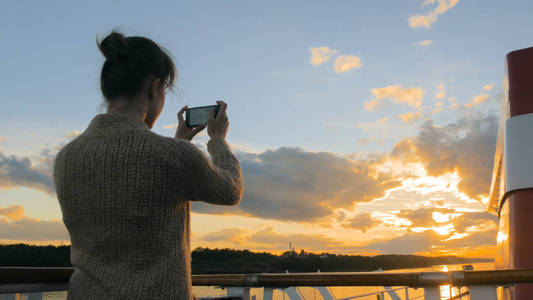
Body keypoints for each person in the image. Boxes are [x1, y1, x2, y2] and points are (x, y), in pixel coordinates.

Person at [53, 31, 244, 300]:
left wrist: (181, 143)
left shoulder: (67, 157)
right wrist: (218, 140)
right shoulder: (172, 156)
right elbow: (230, 190)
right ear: (156, 87)